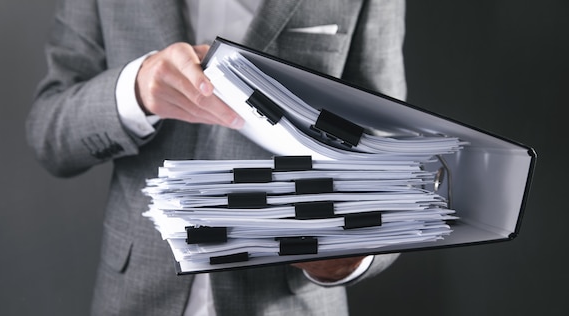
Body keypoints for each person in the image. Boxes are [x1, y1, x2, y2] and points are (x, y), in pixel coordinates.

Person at [26, 0, 407, 315]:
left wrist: (356, 255)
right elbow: (48, 134)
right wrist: (135, 91)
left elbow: (393, 156)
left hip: (287, 300)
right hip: (135, 295)